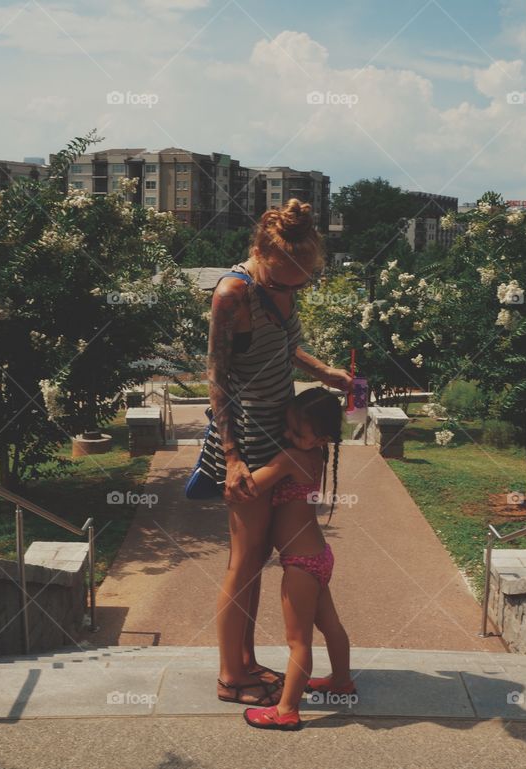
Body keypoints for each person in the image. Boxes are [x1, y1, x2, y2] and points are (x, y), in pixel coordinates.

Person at [202, 199, 353, 706]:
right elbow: (217, 376)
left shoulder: (282, 285)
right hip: (244, 434)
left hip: (280, 423)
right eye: (286, 281)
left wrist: (323, 372)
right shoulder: (232, 293)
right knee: (244, 560)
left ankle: (245, 662)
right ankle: (229, 675)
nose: (293, 290)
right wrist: (231, 457)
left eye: (301, 283)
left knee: (261, 555)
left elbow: (280, 349)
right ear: (261, 254)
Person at [242, 387, 356, 731]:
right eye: (287, 428)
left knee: (298, 640)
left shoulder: (289, 458)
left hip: (301, 564)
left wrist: (231, 464)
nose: (287, 436)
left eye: (296, 432)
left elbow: (249, 487)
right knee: (331, 626)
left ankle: (287, 710)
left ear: (320, 436)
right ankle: (341, 682)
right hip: (318, 556)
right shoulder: (317, 455)